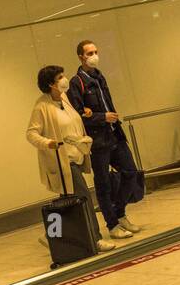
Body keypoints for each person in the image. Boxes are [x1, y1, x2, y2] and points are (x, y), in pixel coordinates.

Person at [25, 65, 115, 252]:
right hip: (63, 161)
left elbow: (70, 122)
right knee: (83, 198)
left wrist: (85, 115)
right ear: (51, 84)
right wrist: (49, 143)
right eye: (60, 77)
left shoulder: (64, 99)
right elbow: (31, 133)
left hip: (77, 155)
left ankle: (52, 234)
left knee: (65, 203)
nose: (64, 79)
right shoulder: (42, 107)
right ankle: (95, 239)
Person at [66, 41, 144, 240]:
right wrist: (101, 117)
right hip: (98, 142)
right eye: (90, 53)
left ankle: (119, 212)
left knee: (131, 173)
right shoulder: (77, 82)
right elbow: (78, 115)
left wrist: (111, 119)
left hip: (115, 135)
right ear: (81, 57)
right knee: (103, 183)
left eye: (96, 51)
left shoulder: (99, 77)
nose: (94, 55)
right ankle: (112, 225)